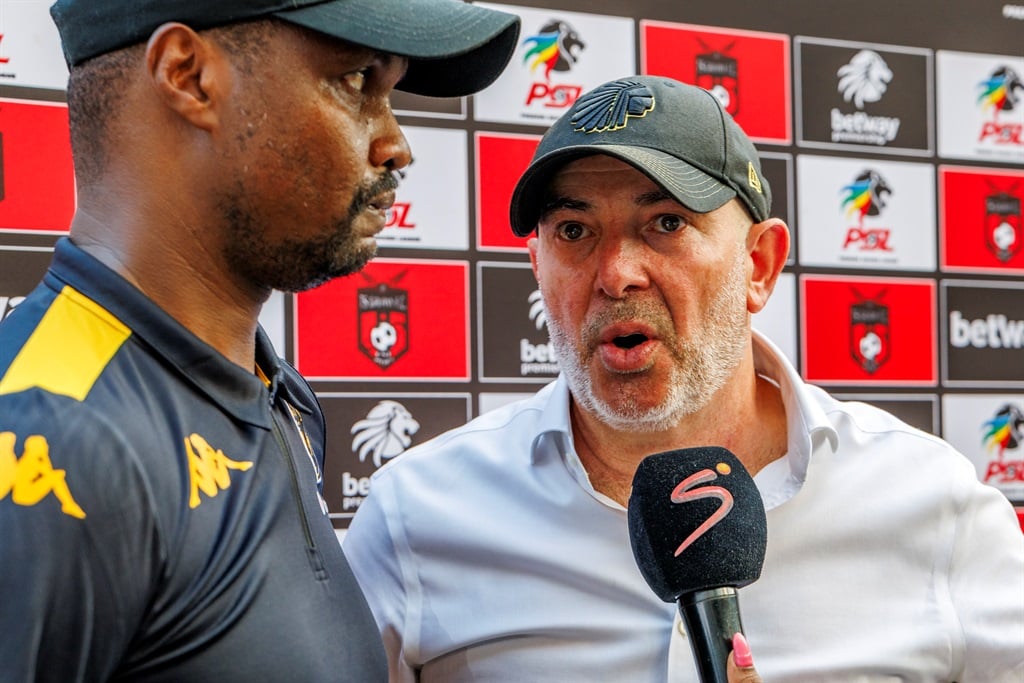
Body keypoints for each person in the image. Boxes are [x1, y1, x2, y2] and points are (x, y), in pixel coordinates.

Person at [343, 75, 1024, 682]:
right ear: (538, 267)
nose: (615, 273)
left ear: (759, 265)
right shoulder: (416, 519)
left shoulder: (936, 509)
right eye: (575, 230)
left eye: (666, 222)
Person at [0, 1, 519, 681]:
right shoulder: (49, 436)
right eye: (357, 80)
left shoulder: (280, 395)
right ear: (188, 76)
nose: (396, 144)